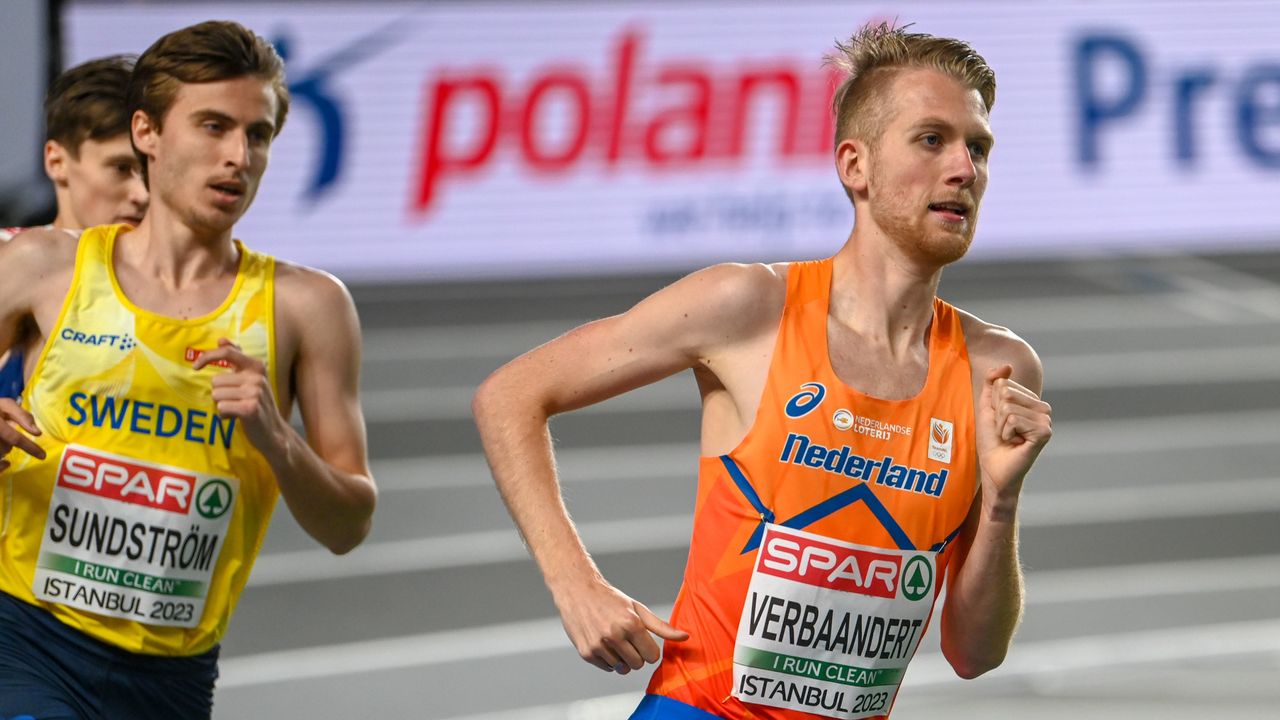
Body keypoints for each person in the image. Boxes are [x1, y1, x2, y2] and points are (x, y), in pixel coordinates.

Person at [473, 22, 1053, 720]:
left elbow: (973, 654)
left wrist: (999, 502)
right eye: (932, 140)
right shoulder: (749, 308)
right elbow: (510, 394)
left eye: (979, 147)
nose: (965, 168)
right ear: (855, 166)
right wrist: (575, 584)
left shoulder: (995, 369)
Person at [0, 20, 377, 719]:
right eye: (212, 126)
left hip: (174, 680)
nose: (237, 156)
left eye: (257, 135)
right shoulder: (42, 268)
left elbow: (347, 524)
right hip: (24, 642)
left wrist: (275, 436)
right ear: (147, 131)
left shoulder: (307, 308)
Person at [1, 54, 149, 399]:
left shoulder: (186, 287)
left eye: (150, 169)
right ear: (56, 161)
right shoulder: (8, 259)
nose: (143, 194)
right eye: (120, 167)